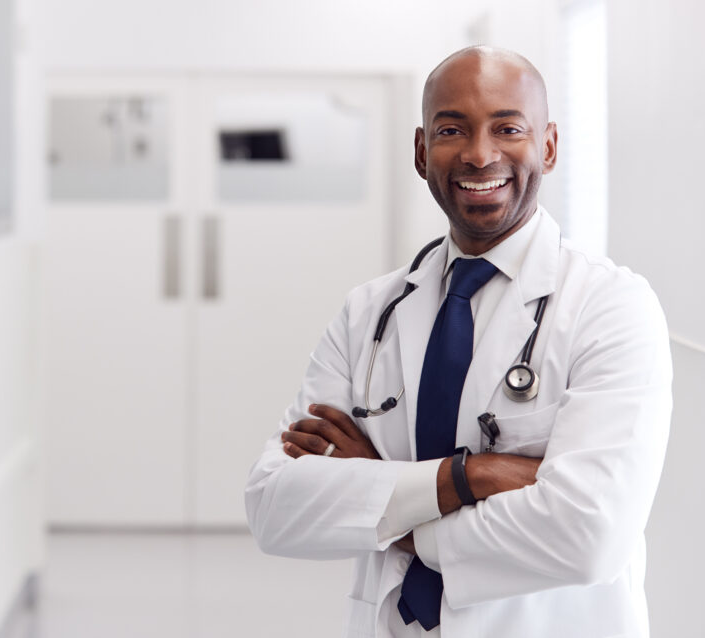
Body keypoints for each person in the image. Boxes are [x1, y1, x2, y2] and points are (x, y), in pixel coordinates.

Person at [244, 45, 672, 638]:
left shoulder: (611, 307)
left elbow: (589, 535)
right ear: (422, 152)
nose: (478, 153)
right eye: (452, 129)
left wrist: (385, 497)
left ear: (547, 145)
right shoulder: (369, 313)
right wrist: (468, 478)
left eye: (507, 127)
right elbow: (275, 509)